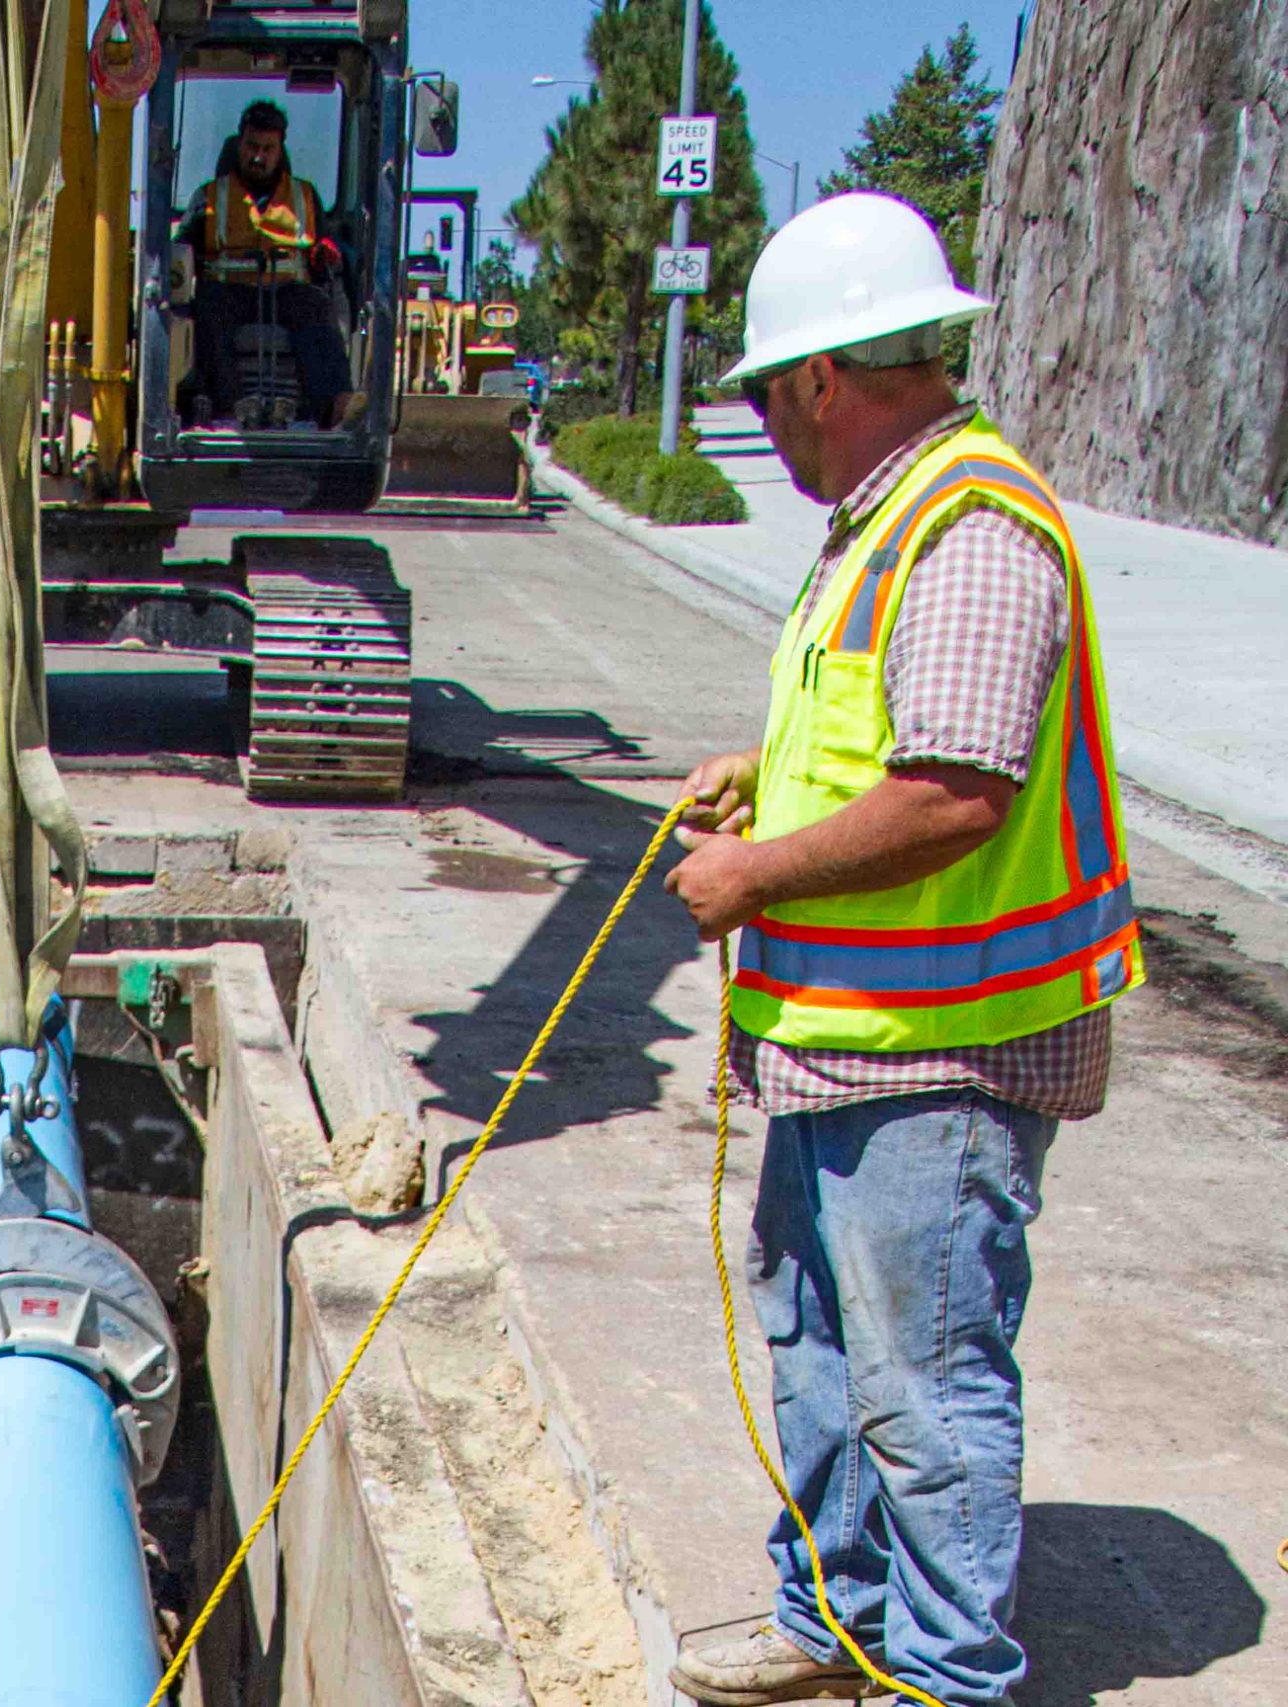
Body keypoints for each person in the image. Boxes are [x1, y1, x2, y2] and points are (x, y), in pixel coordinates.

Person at [664, 192, 1142, 1707]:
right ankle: (833, 1617)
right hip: (846, 1037)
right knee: (816, 1343)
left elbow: (956, 786)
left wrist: (752, 872)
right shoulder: (883, 524)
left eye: (766, 394)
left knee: (925, 1385)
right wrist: (769, 775)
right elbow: (882, 742)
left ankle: (946, 1675)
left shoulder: (973, 527)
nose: (770, 429)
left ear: (819, 376)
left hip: (940, 1049)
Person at [179, 100, 357, 427]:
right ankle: (230, 406)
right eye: (251, 146)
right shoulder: (209, 196)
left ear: (280, 150)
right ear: (239, 144)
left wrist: (326, 251)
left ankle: (334, 406)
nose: (258, 156)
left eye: (267, 148)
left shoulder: (304, 196)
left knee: (317, 308)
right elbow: (180, 248)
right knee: (206, 309)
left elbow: (325, 242)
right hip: (229, 293)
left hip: (287, 292)